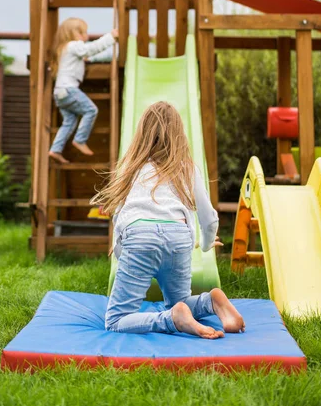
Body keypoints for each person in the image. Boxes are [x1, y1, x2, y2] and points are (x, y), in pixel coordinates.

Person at [92, 101, 245, 339]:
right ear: (179, 135)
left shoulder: (131, 168)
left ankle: (171, 318)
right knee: (180, 301)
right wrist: (204, 245)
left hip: (140, 237)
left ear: (142, 135)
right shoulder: (187, 168)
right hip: (179, 238)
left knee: (116, 320)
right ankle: (211, 303)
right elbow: (209, 219)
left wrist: (122, 250)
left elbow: (120, 216)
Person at [49, 18, 118, 163]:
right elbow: (91, 49)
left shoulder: (64, 49)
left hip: (59, 93)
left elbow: (87, 56)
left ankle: (55, 149)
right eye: (84, 33)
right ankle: (80, 140)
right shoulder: (74, 45)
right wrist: (111, 37)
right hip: (69, 90)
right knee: (91, 110)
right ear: (73, 33)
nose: (86, 36)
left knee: (69, 122)